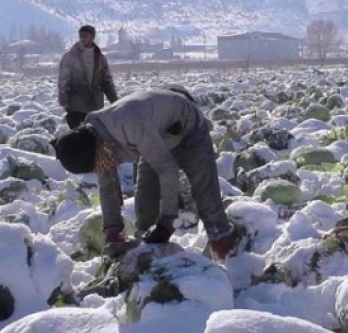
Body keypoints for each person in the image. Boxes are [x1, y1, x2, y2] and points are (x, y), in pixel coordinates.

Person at [51, 87, 236, 261]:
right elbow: (107, 184)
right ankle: (146, 249)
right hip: (156, 137)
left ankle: (226, 252)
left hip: (187, 128)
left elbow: (168, 169)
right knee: (146, 196)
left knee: (205, 194)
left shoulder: (129, 125)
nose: (100, 167)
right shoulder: (96, 141)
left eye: (97, 163)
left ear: (97, 147)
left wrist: (166, 222)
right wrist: (112, 232)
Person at [58, 25, 119, 128]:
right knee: (78, 137)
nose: (82, 38)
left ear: (92, 37)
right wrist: (64, 101)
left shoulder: (100, 58)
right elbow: (63, 80)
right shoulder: (70, 57)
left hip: (96, 105)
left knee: (94, 137)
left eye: (85, 35)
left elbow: (107, 81)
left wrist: (115, 101)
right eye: (81, 36)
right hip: (77, 104)